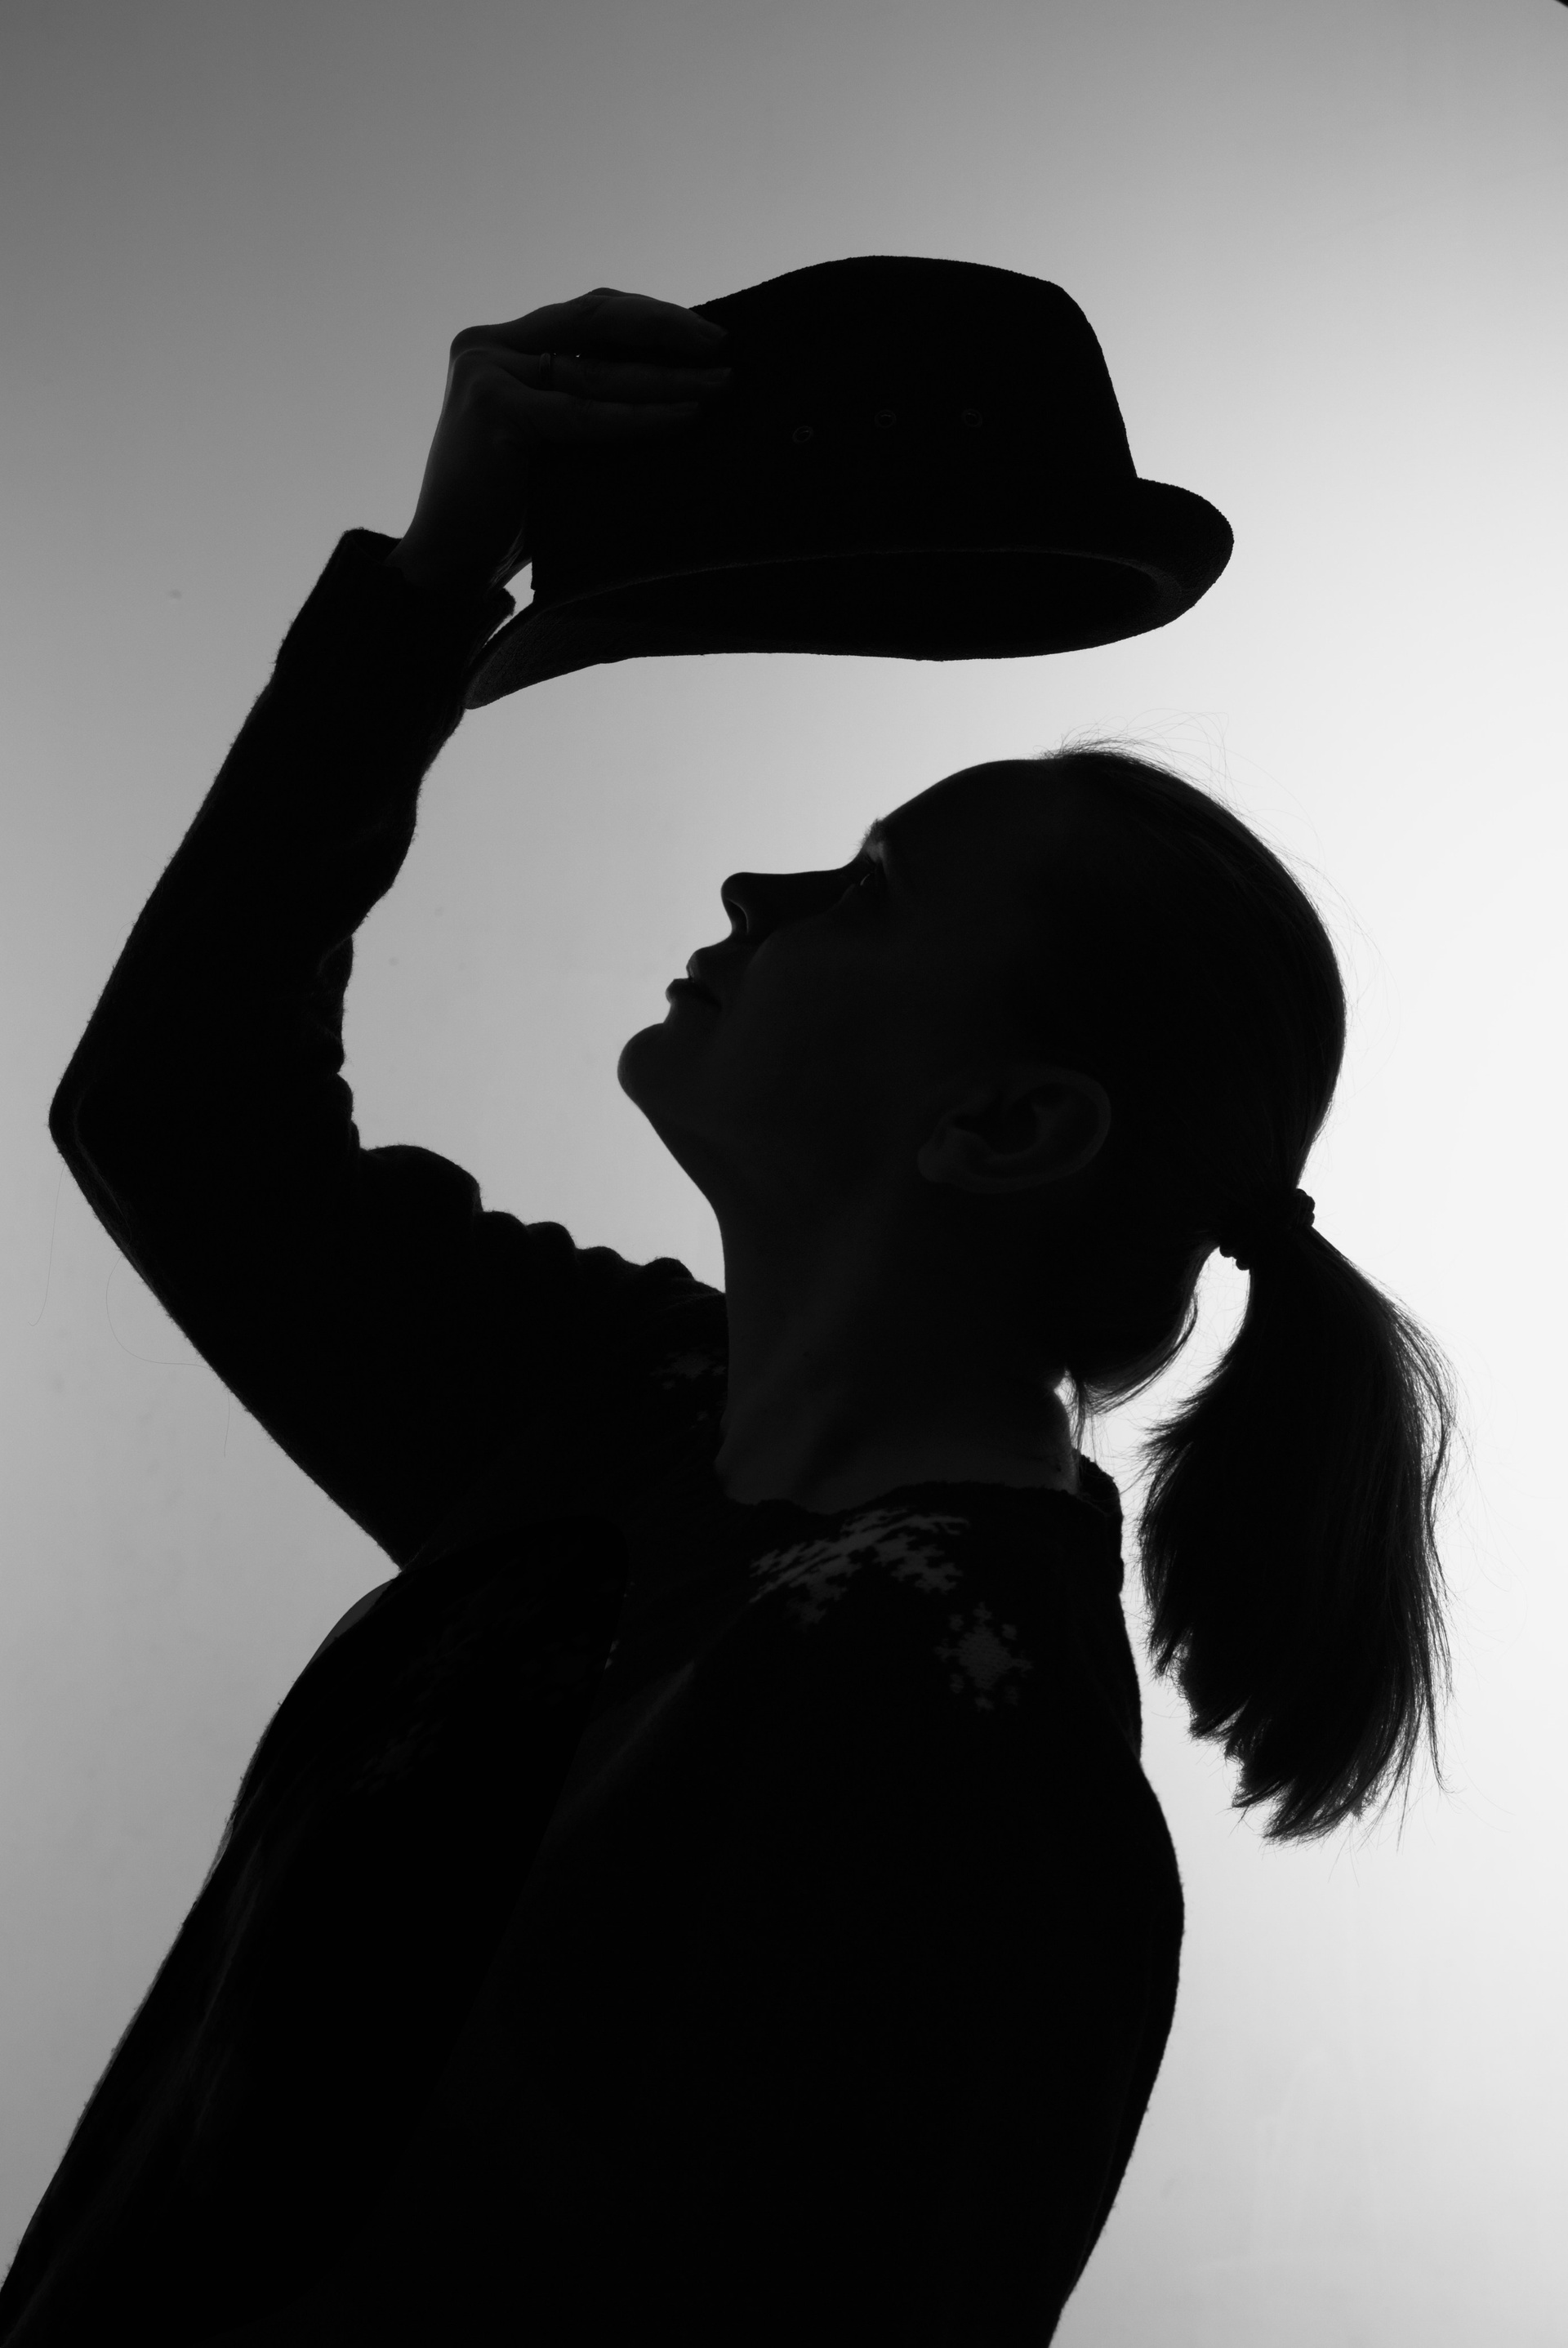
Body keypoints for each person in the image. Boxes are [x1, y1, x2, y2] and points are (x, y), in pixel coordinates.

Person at [2, 289, 1455, 2346]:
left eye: (868, 890)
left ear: (1007, 1123)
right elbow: (181, 1113)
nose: (755, 894)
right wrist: (437, 576)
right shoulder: (631, 1430)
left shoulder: (970, 1756)